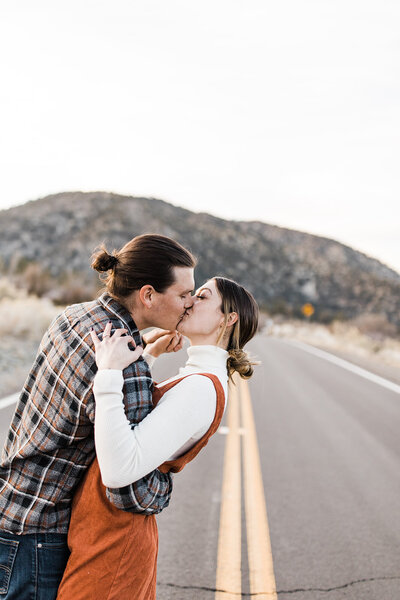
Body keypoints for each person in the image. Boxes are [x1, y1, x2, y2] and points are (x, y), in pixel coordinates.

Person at [0, 234, 196, 600]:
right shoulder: (128, 368)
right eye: (184, 294)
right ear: (149, 295)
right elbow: (130, 492)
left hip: (9, 509)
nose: (189, 304)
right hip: (41, 538)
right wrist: (166, 481)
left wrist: (145, 350)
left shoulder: (71, 317)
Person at [56, 276, 259, 600]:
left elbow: (120, 469)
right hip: (103, 528)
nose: (189, 302)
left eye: (203, 297)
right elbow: (139, 422)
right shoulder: (197, 377)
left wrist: (108, 374)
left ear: (228, 318)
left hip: (116, 541)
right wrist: (148, 355)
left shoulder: (201, 388)